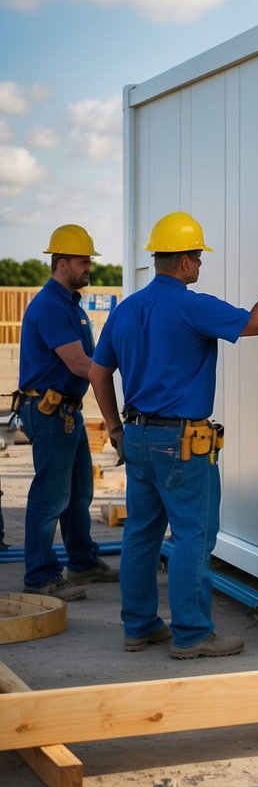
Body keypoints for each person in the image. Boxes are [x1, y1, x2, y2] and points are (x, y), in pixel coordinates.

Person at [89, 211, 258, 659]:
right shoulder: (192, 305)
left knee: (141, 536)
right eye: (199, 258)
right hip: (182, 444)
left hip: (139, 438)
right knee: (192, 537)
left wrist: (114, 428)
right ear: (184, 262)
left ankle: (139, 627)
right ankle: (192, 634)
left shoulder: (125, 310)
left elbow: (97, 371)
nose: (201, 266)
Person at [18, 224, 119, 600]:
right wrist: (129, 365)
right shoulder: (50, 306)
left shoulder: (69, 305)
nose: (88, 267)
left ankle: (82, 562)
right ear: (61, 264)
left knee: (78, 492)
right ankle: (41, 576)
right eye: (82, 261)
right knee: (50, 496)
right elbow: (80, 365)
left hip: (65, 412)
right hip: (49, 411)